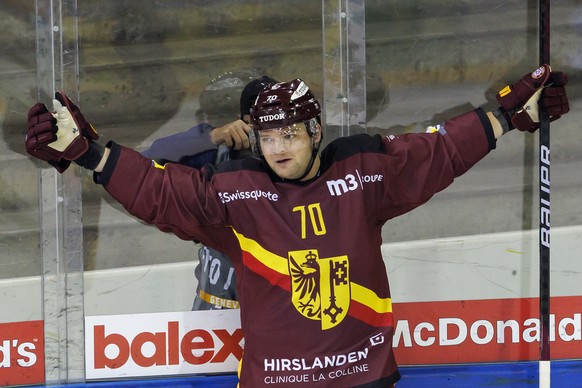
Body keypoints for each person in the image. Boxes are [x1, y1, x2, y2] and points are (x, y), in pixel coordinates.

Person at [25, 65, 569, 387]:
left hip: (363, 378)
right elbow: (161, 191)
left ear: (314, 131)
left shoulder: (362, 170)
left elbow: (440, 152)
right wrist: (93, 155)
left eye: (290, 135)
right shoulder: (235, 194)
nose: (278, 148)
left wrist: (504, 118)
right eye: (267, 137)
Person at [142, 75, 278, 310]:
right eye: (257, 126)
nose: (266, 139)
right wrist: (211, 137)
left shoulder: (300, 163)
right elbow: (142, 167)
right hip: (212, 313)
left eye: (274, 127)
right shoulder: (217, 155)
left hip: (273, 313)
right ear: (240, 123)